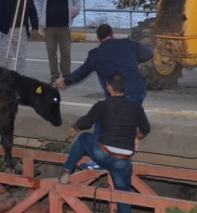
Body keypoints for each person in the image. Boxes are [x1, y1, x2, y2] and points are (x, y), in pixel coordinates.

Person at [58, 73, 150, 213]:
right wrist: (135, 137)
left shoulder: (103, 105)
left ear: (108, 87)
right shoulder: (136, 108)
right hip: (123, 162)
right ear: (124, 88)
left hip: (103, 155)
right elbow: (145, 130)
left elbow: (85, 123)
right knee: (124, 197)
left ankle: (66, 172)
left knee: (85, 137)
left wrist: (74, 126)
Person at [56, 23, 153, 170]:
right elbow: (148, 52)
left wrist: (65, 81)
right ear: (113, 35)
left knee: (103, 122)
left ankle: (99, 160)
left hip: (119, 93)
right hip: (139, 90)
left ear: (98, 40)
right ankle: (122, 159)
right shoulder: (127, 44)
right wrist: (133, 58)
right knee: (126, 123)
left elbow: (81, 72)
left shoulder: (96, 54)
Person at [35, 0, 82, 83]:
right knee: (51, 52)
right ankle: (54, 75)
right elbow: (37, 3)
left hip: (64, 27)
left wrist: (76, 10)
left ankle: (66, 74)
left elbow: (77, 2)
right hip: (49, 27)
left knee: (65, 52)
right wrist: (40, 18)